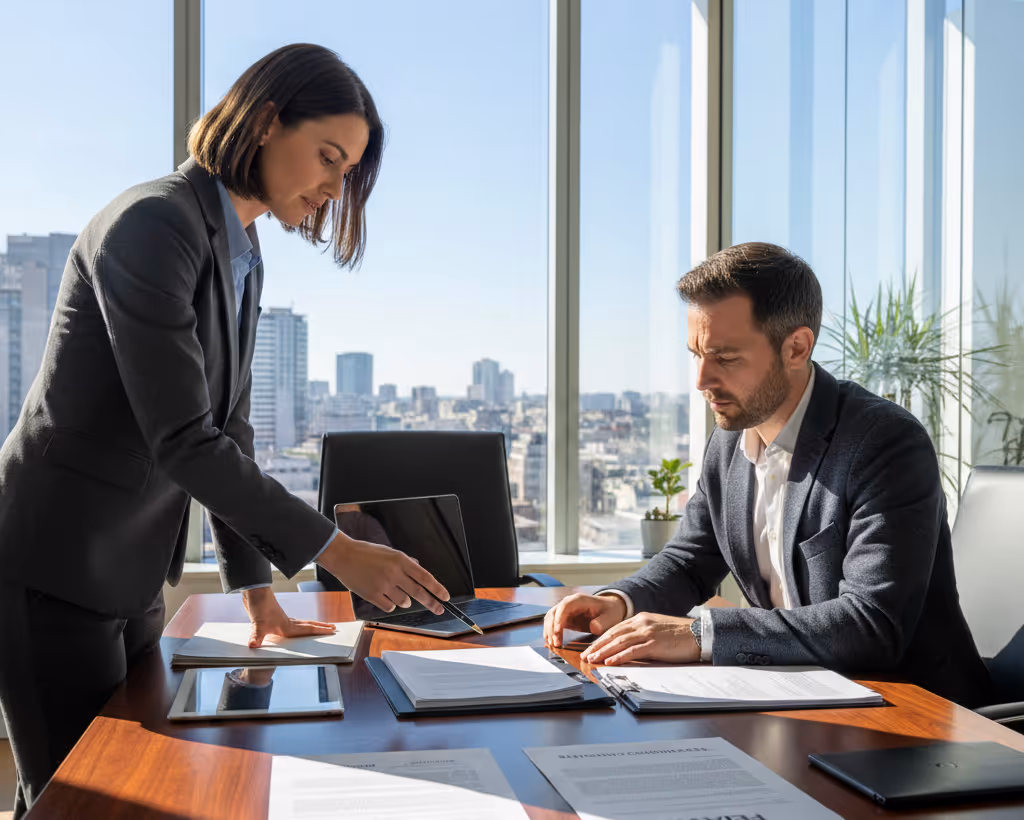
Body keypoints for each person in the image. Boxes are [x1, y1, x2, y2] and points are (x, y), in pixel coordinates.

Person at [0, 44, 449, 818]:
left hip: (129, 569)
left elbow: (227, 431)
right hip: (52, 563)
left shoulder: (241, 254)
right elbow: (184, 439)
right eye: (328, 159)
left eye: (349, 173)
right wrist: (336, 551)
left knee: (105, 783)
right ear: (268, 122)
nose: (333, 189)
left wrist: (256, 594)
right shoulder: (152, 223)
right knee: (77, 796)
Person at [545, 242, 993, 708]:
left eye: (725, 357)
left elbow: (872, 624)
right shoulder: (729, 440)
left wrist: (702, 633)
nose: (700, 380)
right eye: (696, 353)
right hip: (795, 698)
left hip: (916, 718)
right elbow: (690, 559)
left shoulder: (884, 443)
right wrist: (619, 601)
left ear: (796, 347)